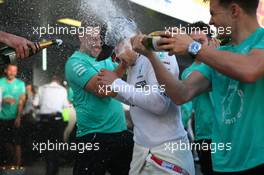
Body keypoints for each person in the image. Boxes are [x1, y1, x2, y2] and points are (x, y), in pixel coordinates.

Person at [131, 0, 264, 174]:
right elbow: (181, 93)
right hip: (223, 165)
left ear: (234, 11)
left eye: (213, 13)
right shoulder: (220, 55)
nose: (211, 22)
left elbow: (251, 69)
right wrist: (151, 56)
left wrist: (192, 47)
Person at [97, 39, 195, 175]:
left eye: (118, 49)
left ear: (130, 39)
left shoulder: (158, 55)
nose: (117, 56)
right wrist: (115, 91)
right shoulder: (132, 64)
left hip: (167, 152)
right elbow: (137, 101)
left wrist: (117, 83)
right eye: (114, 54)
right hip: (141, 151)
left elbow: (159, 103)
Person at [65, 22, 133, 175]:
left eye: (100, 39)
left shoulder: (105, 58)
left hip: (120, 133)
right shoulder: (75, 62)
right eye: (93, 38)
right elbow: (101, 90)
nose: (98, 43)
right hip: (93, 137)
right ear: (81, 36)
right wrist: (123, 65)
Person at [181, 21, 218, 175]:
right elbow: (185, 108)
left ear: (210, 40)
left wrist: (215, 57)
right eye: (193, 42)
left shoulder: (221, 62)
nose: (197, 46)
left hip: (226, 133)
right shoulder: (187, 73)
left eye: (201, 41)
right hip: (203, 135)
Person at [33, 75, 69, 175]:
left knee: (47, 146)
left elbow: (35, 104)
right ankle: (55, 169)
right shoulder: (62, 90)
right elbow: (66, 107)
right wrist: (66, 121)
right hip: (57, 121)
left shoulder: (42, 88)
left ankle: (49, 168)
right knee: (56, 146)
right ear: (59, 82)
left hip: (44, 121)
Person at [0, 64, 26, 167]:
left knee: (17, 142)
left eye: (15, 71)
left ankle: (18, 166)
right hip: (2, 117)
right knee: (5, 142)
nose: (12, 73)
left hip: (14, 118)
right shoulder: (0, 82)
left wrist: (18, 117)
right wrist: (3, 100)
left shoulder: (20, 84)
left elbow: (21, 101)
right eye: (10, 70)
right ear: (6, 70)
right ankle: (9, 163)